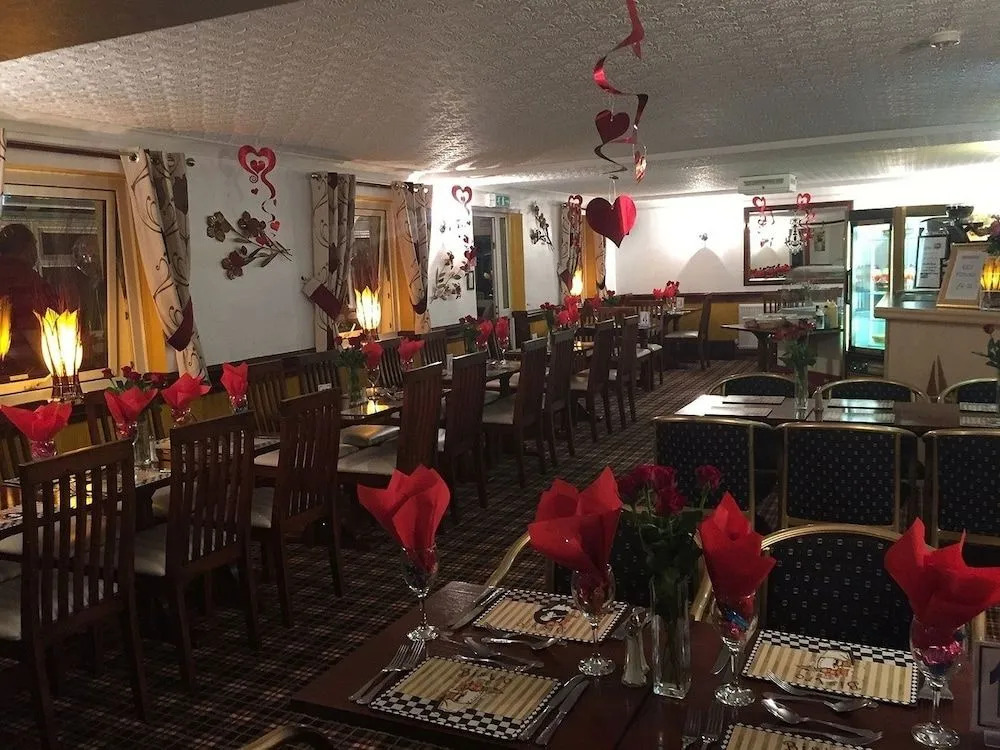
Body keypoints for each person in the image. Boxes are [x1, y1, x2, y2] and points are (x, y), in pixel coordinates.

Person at [0, 223, 57, 376]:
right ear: (29, 248)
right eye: (34, 246)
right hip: (24, 371)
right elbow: (31, 328)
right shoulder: (25, 279)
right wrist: (55, 368)